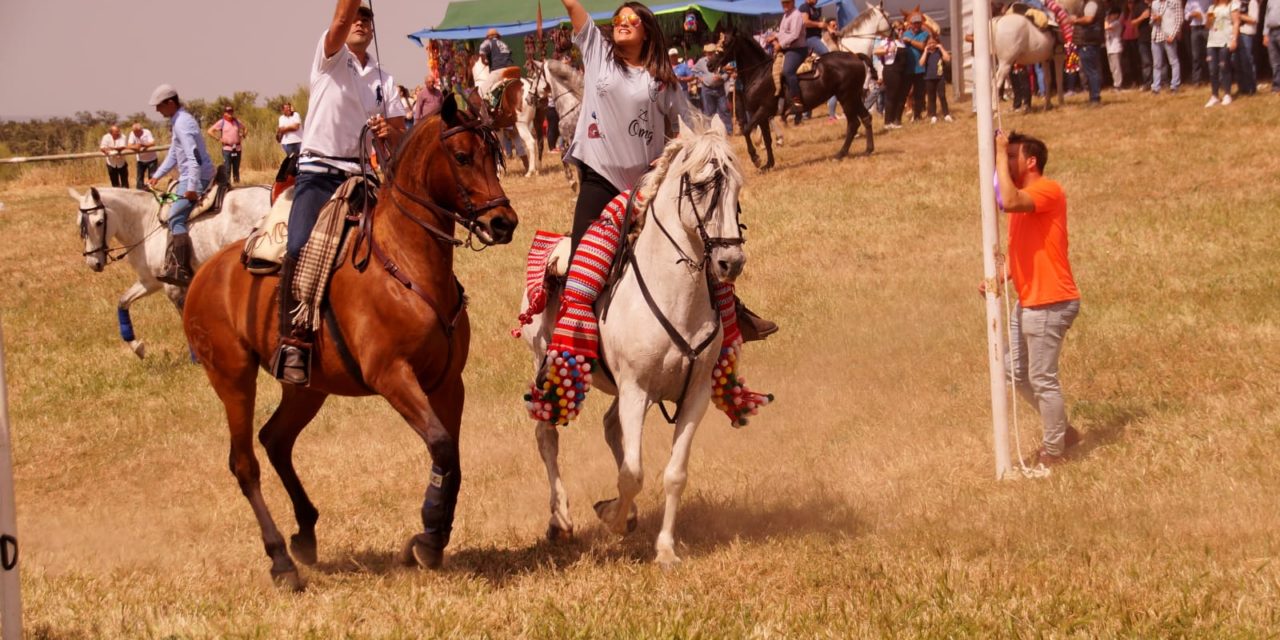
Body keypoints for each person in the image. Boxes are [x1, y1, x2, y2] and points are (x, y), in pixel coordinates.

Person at [556, 0, 775, 348]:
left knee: (699, 244)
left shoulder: (662, 79)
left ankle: (734, 313)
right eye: (618, 19)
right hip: (600, 178)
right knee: (579, 262)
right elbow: (571, 4)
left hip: (648, 184)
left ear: (646, 32)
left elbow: (683, 128)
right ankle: (565, 343)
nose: (622, 23)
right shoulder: (598, 53)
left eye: (632, 19)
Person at [274, 0, 406, 385]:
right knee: (299, 245)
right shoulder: (329, 56)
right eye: (357, 17)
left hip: (360, 175)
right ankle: (293, 341)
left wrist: (389, 133)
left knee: (396, 241)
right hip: (317, 172)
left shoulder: (385, 78)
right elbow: (340, 16)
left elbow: (399, 132)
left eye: (369, 18)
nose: (361, 22)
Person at [984, 130, 1082, 466]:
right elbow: (1025, 247)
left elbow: (1007, 200)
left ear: (1031, 161)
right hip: (1028, 302)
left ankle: (1054, 452)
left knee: (1042, 379)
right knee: (1013, 370)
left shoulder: (1047, 190)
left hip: (1051, 302)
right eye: (1005, 154)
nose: (1006, 161)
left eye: (1013, 156)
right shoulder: (1022, 199)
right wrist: (1002, 276)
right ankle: (1062, 431)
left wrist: (997, 151)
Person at [145, 84, 215, 287]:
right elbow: (174, 154)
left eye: (159, 106)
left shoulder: (182, 123)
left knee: (175, 216)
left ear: (170, 103)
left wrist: (192, 187)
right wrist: (156, 176)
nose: (157, 110)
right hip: (189, 176)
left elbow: (193, 158)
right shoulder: (179, 121)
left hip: (195, 177)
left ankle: (181, 269)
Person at [693, 43, 732, 133]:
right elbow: (694, 70)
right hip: (707, 89)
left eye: (712, 52)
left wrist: (721, 77)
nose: (710, 54)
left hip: (719, 88)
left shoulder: (721, 61)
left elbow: (727, 74)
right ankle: (709, 131)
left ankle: (728, 131)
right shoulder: (701, 61)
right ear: (705, 53)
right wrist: (700, 78)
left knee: (724, 110)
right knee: (708, 112)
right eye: (708, 52)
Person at [1075, 0, 1106, 104]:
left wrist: (1074, 20)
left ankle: (1095, 98)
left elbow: (1088, 19)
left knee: (1091, 71)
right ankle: (1094, 96)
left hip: (1088, 41)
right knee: (1091, 70)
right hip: (1090, 41)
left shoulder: (1091, 4)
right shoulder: (1093, 3)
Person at [1205, 0, 1235, 104]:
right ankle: (1214, 95)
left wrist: (1234, 39)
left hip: (1225, 41)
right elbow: (1208, 25)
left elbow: (1236, 23)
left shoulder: (1232, 5)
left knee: (1224, 67)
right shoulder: (1212, 8)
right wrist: (1208, 19)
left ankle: (1227, 94)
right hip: (1212, 42)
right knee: (1212, 69)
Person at [901, 13, 930, 122]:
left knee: (918, 92)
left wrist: (910, 41)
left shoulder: (924, 34)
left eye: (918, 23)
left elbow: (922, 46)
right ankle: (904, 113)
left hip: (920, 69)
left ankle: (917, 115)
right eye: (915, 23)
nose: (917, 25)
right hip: (907, 68)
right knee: (907, 92)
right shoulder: (905, 33)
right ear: (911, 24)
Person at [1150, 0, 1183, 93]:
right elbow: (1151, 21)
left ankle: (1174, 85)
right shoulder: (1155, 3)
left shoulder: (1174, 2)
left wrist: (1173, 35)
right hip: (1156, 35)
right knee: (1156, 63)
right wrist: (1154, 19)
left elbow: (1179, 19)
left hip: (1168, 34)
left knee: (1173, 61)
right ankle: (1156, 87)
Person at [207, 105, 247, 183]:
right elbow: (210, 131)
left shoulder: (236, 121)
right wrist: (218, 138)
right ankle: (227, 185)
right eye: (228, 112)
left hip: (237, 148)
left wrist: (243, 135)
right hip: (227, 149)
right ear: (224, 113)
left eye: (231, 111)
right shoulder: (221, 122)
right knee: (227, 169)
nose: (230, 113)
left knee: (236, 169)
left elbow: (245, 128)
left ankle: (237, 184)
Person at [1231, 0, 1260, 95]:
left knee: (1247, 61)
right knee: (1236, 62)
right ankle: (1242, 87)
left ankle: (1251, 87)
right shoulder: (1234, 3)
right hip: (1235, 34)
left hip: (1247, 34)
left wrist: (1238, 16)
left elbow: (1254, 20)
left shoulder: (1252, 2)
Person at [478, 28, 517, 96]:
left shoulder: (489, 42)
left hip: (499, 70)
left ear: (489, 37)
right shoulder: (504, 44)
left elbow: (482, 47)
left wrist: (483, 60)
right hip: (511, 70)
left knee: (481, 91)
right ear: (498, 36)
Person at [921, 34, 952, 122]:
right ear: (926, 44)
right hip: (929, 78)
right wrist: (925, 51)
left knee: (942, 96)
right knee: (931, 97)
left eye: (934, 43)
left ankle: (946, 114)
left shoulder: (939, 52)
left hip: (940, 77)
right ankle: (933, 115)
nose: (932, 45)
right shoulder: (926, 53)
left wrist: (941, 48)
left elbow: (948, 58)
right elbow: (921, 63)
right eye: (929, 43)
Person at [1130, 0, 1154, 89]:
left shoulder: (1156, 4)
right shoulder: (1138, 6)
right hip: (1143, 38)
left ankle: (1162, 81)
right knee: (1146, 62)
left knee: (1159, 61)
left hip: (1156, 37)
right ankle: (1148, 83)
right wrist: (1142, 17)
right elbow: (1132, 23)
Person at [127, 122, 158, 190]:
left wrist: (144, 145)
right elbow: (129, 145)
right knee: (139, 178)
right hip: (140, 159)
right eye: (134, 132)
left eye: (137, 132)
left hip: (152, 159)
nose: (136, 134)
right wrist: (135, 146)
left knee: (152, 177)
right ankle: (139, 191)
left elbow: (152, 143)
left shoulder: (147, 132)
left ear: (141, 130)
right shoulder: (132, 133)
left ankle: (151, 191)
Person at [1185, 0, 1210, 85]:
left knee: (1209, 53)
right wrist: (1191, 15)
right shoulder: (1190, 1)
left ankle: (1210, 77)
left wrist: (1202, 16)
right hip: (1194, 28)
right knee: (1196, 55)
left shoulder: (1209, 1)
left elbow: (1212, 13)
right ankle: (1197, 79)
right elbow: (1185, 15)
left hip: (1206, 27)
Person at [1105, 6, 1127, 91]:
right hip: (1109, 48)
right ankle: (1115, 83)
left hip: (1115, 48)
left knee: (1117, 68)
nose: (1110, 16)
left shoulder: (1117, 23)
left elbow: (1107, 27)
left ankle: (1118, 84)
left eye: (1112, 15)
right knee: (1112, 68)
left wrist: (1106, 19)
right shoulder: (1110, 22)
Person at [1266, 0, 1280, 93]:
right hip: (1271, 31)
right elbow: (1266, 17)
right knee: (1274, 62)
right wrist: (1264, 33)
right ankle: (1277, 85)